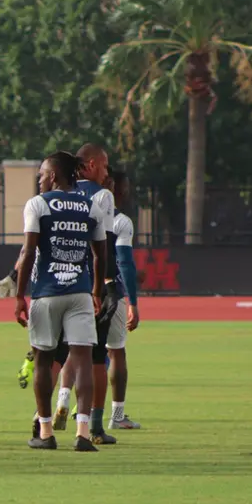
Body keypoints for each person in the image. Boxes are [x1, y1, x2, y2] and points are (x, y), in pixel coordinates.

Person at [14, 151, 107, 452]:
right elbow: (100, 255)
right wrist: (96, 291)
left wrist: (19, 295)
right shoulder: (91, 206)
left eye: (42, 174)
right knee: (83, 361)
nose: (39, 180)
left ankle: (45, 432)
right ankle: (83, 433)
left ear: (53, 176)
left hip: (47, 293)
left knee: (43, 361)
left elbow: (29, 252)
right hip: (80, 293)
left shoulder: (38, 205)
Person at [106, 170, 141, 429]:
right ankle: (117, 417)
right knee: (116, 352)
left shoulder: (84, 214)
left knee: (79, 354)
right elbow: (125, 264)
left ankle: (68, 406)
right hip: (111, 294)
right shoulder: (121, 221)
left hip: (81, 290)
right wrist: (133, 303)